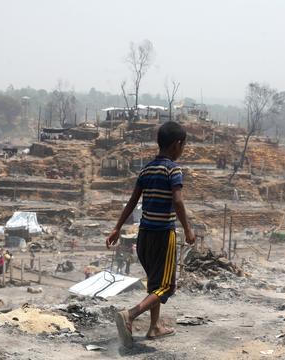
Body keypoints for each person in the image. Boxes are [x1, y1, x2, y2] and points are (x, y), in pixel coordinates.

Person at [106, 121, 196, 349]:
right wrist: (187, 229)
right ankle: (131, 314)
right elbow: (178, 201)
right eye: (183, 145)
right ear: (177, 144)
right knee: (165, 286)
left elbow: (132, 202)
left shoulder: (146, 169)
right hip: (163, 235)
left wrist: (117, 227)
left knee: (154, 282)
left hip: (144, 235)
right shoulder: (173, 170)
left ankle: (154, 327)